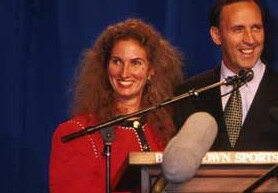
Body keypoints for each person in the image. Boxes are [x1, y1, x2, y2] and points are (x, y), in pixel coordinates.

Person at [174, 0, 278, 151]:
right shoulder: (189, 95)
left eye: (256, 28)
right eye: (238, 29)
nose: (250, 40)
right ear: (216, 35)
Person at [49, 18, 183, 193]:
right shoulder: (76, 133)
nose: (124, 73)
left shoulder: (166, 132)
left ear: (151, 71)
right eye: (117, 61)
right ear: (105, 67)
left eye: (136, 63)